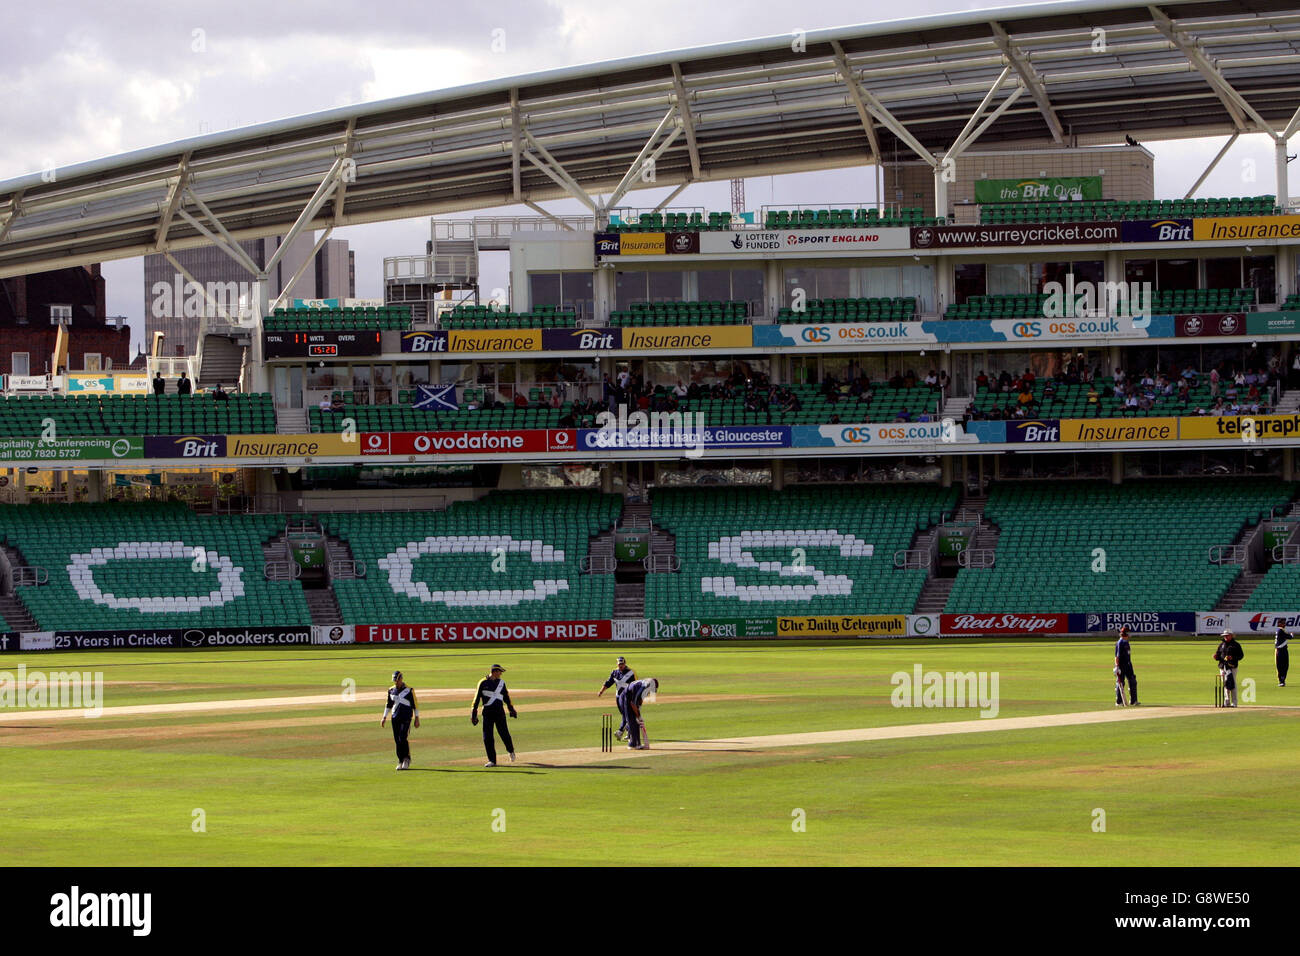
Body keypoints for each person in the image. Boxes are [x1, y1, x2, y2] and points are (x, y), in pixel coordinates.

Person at [471, 663, 517, 766]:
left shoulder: (502, 683)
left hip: (499, 712)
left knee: (504, 733)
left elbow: (506, 697)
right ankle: (492, 760)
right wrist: (473, 714)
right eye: (499, 672)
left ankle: (511, 750)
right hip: (487, 712)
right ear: (494, 671)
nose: (501, 674)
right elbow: (477, 698)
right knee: (487, 737)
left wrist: (511, 709)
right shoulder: (482, 682)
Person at [380, 670, 420, 770]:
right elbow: (388, 705)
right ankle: (400, 760)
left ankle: (407, 759)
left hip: (406, 717)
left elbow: (415, 705)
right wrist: (384, 717)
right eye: (394, 681)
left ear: (401, 679)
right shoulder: (391, 690)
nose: (396, 682)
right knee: (397, 740)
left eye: (397, 680)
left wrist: (417, 718)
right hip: (395, 717)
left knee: (403, 738)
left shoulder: (409, 690)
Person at [598, 655, 636, 741]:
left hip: (627, 697)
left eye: (622, 664)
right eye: (619, 664)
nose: (621, 666)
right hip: (618, 697)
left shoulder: (630, 673)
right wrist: (601, 691)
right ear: (617, 664)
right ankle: (629, 731)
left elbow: (635, 685)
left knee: (626, 714)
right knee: (624, 714)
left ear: (625, 663)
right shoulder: (614, 672)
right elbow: (608, 683)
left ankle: (621, 731)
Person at [623, 677, 659, 750]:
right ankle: (632, 744)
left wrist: (639, 708)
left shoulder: (646, 686)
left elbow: (640, 699)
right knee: (633, 720)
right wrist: (638, 716)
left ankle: (637, 743)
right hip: (626, 697)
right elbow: (633, 703)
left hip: (632, 697)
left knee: (637, 722)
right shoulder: (642, 688)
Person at [1214, 630, 1245, 707]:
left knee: (1232, 684)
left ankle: (1234, 703)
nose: (1225, 637)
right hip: (1222, 667)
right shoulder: (1221, 645)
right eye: (1224, 635)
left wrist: (1232, 658)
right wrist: (1216, 657)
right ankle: (1226, 702)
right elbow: (1218, 655)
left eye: (1227, 635)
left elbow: (1241, 656)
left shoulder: (1236, 645)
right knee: (1225, 684)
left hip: (1232, 667)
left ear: (1231, 635)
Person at [1114, 625, 1138, 706]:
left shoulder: (1126, 642)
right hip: (1122, 665)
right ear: (1126, 634)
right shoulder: (1120, 643)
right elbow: (1117, 656)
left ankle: (1133, 701)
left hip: (1128, 664)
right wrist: (1117, 666)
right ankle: (1119, 701)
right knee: (1121, 682)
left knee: (1132, 681)